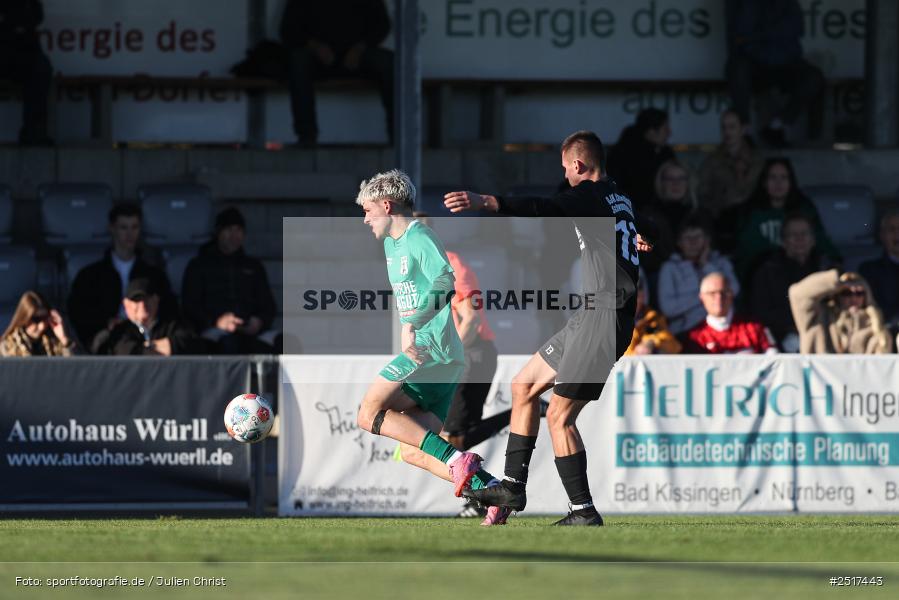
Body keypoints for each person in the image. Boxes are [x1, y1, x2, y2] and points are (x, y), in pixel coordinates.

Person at [444, 130, 655, 527]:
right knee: (523, 386)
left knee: (560, 416)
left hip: (604, 318)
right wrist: (644, 236)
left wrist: (487, 202)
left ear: (577, 165)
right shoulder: (618, 197)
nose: (565, 175)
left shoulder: (589, 195)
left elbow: (544, 206)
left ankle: (583, 511)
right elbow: (650, 225)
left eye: (565, 168)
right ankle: (512, 487)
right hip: (590, 316)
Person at [353, 170, 500, 521]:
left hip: (431, 351)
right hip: (435, 355)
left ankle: (457, 460)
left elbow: (446, 281)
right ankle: (494, 492)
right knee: (415, 452)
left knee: (368, 413)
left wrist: (415, 321)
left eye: (368, 210)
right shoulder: (392, 244)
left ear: (387, 205)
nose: (365, 219)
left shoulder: (420, 236)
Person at [279, 0, 394, 146]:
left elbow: (382, 25)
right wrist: (314, 46)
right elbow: (287, 29)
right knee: (298, 60)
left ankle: (398, 135)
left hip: (358, 56)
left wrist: (360, 48)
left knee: (388, 62)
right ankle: (306, 135)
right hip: (319, 58)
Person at [68, 203, 177, 350]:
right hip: (107, 340)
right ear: (112, 228)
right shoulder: (91, 276)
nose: (129, 234)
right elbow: (79, 312)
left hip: (146, 336)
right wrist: (107, 323)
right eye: (123, 227)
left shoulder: (153, 275)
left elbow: (169, 309)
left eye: (134, 227)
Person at [725, 0, 825, 148]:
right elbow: (741, 33)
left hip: (785, 63)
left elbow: (797, 28)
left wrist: (759, 35)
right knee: (737, 70)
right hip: (754, 64)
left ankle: (778, 125)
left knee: (814, 78)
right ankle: (744, 131)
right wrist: (772, 34)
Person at [181, 207, 278, 354]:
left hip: (251, 331)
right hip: (214, 331)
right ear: (218, 233)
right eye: (229, 230)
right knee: (230, 344)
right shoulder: (199, 265)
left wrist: (259, 321)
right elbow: (190, 305)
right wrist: (217, 322)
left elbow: (268, 306)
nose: (234, 235)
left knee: (287, 342)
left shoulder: (254, 266)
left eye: (238, 230)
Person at [733, 158, 838, 285]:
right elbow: (746, 252)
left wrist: (835, 261)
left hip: (803, 271)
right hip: (765, 276)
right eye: (773, 177)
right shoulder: (751, 211)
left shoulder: (804, 208)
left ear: (791, 182)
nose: (778, 183)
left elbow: (820, 240)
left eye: (784, 178)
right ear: (764, 182)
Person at [750, 212, 834, 352]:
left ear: (813, 239)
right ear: (783, 241)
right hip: (782, 339)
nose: (799, 239)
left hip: (824, 334)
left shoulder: (825, 268)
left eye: (804, 234)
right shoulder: (767, 271)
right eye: (793, 235)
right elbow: (761, 312)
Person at [657, 213, 740, 336]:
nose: (693, 242)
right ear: (679, 242)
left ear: (707, 240)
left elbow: (734, 289)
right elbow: (668, 308)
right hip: (684, 333)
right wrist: (705, 297)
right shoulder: (669, 268)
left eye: (697, 237)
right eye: (687, 238)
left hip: (723, 330)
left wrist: (706, 265)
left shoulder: (721, 263)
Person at [788, 270, 893, 354]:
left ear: (867, 296)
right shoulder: (819, 318)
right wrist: (836, 282)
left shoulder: (877, 330)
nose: (853, 298)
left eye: (859, 292)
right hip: (821, 380)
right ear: (837, 296)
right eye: (846, 293)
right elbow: (797, 294)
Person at [92, 278, 203, 356]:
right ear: (126, 305)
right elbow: (124, 351)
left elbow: (190, 344)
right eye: (136, 300)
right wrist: (161, 347)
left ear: (156, 299)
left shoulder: (172, 325)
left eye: (146, 299)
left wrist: (146, 347)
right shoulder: (121, 330)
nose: (142, 305)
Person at [0, 0, 53, 145]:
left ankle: (34, 131)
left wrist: (22, 25)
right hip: (5, 51)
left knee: (41, 69)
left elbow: (37, 15)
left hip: (25, 54)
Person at [683, 273, 777, 354]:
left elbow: (774, 359)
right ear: (702, 297)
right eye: (712, 293)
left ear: (732, 294)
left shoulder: (755, 327)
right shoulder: (695, 337)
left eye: (724, 292)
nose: (719, 298)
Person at [696, 109, 764, 216]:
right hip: (720, 217)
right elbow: (702, 192)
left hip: (750, 217)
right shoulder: (711, 161)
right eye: (723, 127)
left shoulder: (757, 159)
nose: (727, 132)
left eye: (732, 127)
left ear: (743, 129)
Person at [606, 108, 675, 208]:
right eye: (665, 128)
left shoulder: (663, 152)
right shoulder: (626, 156)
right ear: (651, 131)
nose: (669, 133)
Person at [639, 159, 695, 277]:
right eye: (670, 179)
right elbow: (645, 255)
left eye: (681, 179)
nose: (676, 184)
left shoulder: (698, 214)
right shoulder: (647, 215)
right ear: (661, 183)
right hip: (657, 275)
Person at [859, 210, 899, 334]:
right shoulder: (869, 270)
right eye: (892, 230)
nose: (897, 234)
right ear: (882, 235)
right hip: (884, 334)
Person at [1, 291, 77, 356]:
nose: (42, 325)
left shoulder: (55, 341)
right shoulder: (7, 346)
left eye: (45, 318)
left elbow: (80, 368)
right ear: (24, 318)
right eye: (36, 320)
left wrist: (64, 339)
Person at [624, 273, 681, 356]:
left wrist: (651, 342)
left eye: (636, 295)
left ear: (642, 296)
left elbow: (674, 346)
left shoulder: (653, 318)